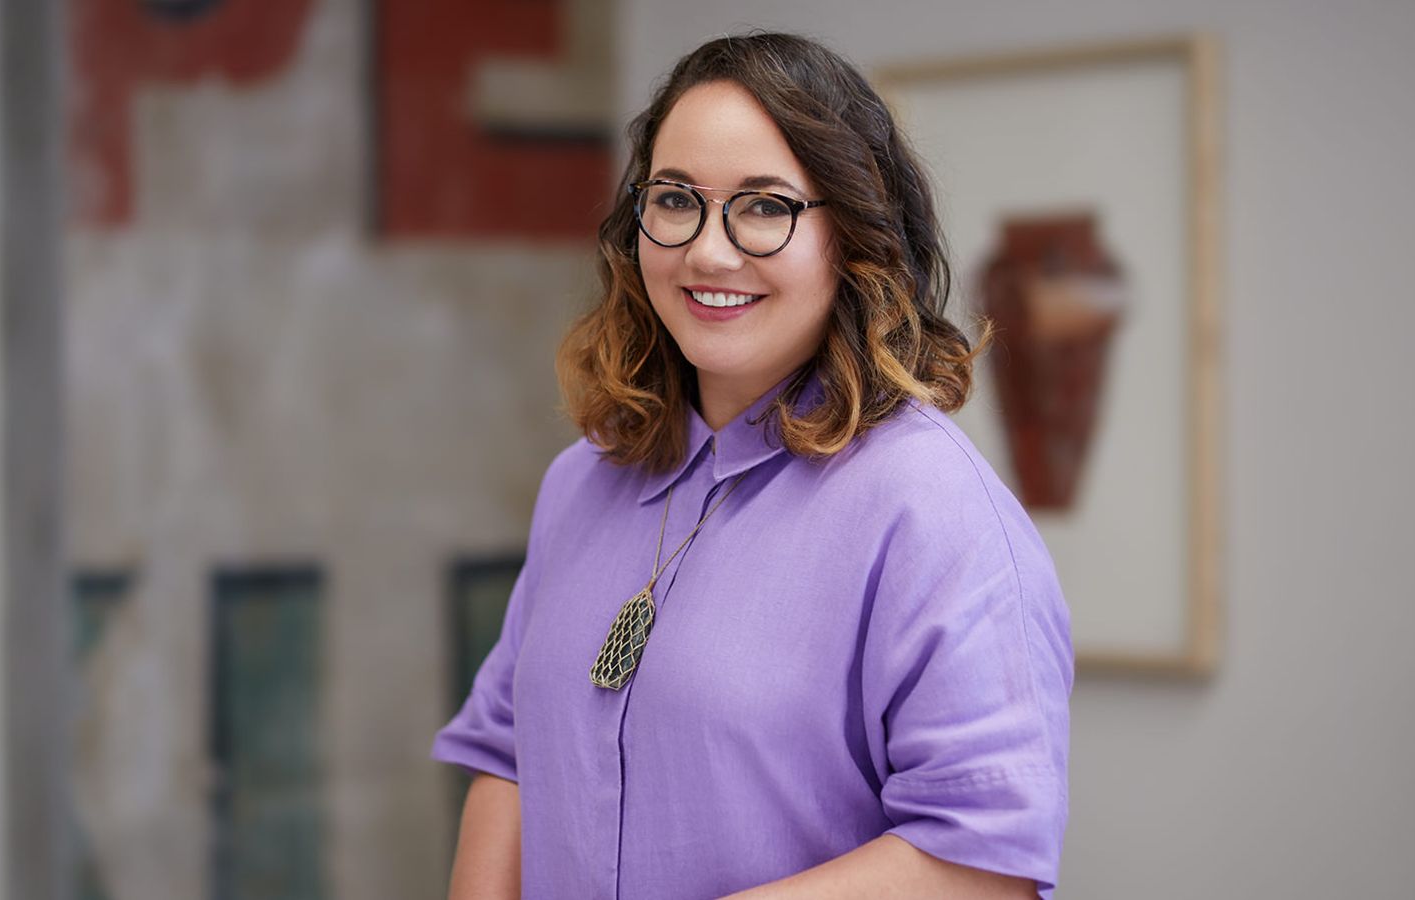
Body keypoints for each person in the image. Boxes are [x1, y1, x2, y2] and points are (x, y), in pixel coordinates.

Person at [431, 32, 1072, 900]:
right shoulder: (581, 483)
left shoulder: (935, 513)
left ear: (850, 235)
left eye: (765, 206)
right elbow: (509, 756)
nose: (707, 252)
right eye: (675, 199)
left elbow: (982, 867)